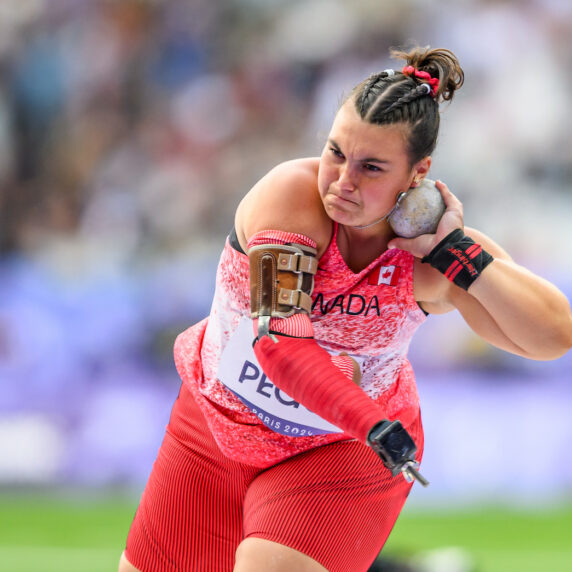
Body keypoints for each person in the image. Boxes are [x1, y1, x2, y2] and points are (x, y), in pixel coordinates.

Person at [119, 46, 572, 572]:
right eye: (336, 152)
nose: (341, 181)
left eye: (371, 167)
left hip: (339, 453)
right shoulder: (290, 198)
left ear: (416, 174)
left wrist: (459, 255)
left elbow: (552, 336)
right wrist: (374, 423)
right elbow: (278, 344)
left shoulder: (426, 260)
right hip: (215, 427)